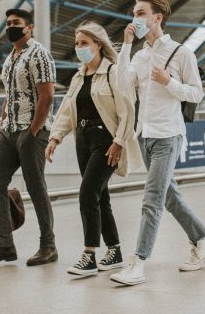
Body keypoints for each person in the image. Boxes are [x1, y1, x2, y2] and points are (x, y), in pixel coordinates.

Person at [110, 0, 205, 286]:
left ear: (157, 18)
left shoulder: (181, 53)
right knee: (169, 195)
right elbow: (121, 84)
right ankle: (202, 241)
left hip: (169, 134)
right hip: (145, 135)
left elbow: (196, 93)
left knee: (152, 198)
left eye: (141, 13)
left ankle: (138, 262)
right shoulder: (140, 56)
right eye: (134, 13)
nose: (135, 19)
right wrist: (126, 47)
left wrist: (170, 82)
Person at [46, 22, 141, 277]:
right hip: (83, 140)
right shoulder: (79, 77)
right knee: (101, 197)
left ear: (98, 44)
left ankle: (89, 254)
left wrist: (119, 141)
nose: (80, 48)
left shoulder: (112, 72)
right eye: (77, 44)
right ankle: (114, 251)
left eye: (85, 43)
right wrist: (55, 138)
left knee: (87, 193)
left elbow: (126, 110)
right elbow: (67, 111)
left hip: (105, 140)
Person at [0, 8, 58, 267]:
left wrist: (33, 131)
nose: (11, 26)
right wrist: (0, 131)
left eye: (16, 23)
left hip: (31, 131)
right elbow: (8, 98)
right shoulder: (10, 58)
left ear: (29, 27)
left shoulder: (39, 54)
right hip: (8, 131)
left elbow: (47, 96)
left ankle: (48, 246)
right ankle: (5, 245)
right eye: (8, 23)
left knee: (36, 187)